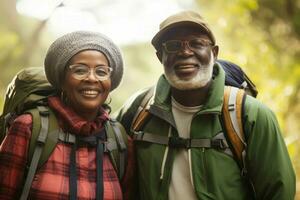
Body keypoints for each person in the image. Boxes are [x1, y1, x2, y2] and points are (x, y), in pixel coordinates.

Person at [115, 11, 296, 200]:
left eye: (196, 43)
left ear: (214, 52)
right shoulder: (140, 109)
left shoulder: (249, 115)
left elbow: (278, 192)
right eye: (173, 46)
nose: (185, 52)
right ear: (161, 56)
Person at [0, 31, 134, 200]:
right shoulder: (29, 127)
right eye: (80, 70)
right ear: (62, 80)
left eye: (101, 72)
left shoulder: (120, 140)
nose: (92, 78)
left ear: (110, 82)